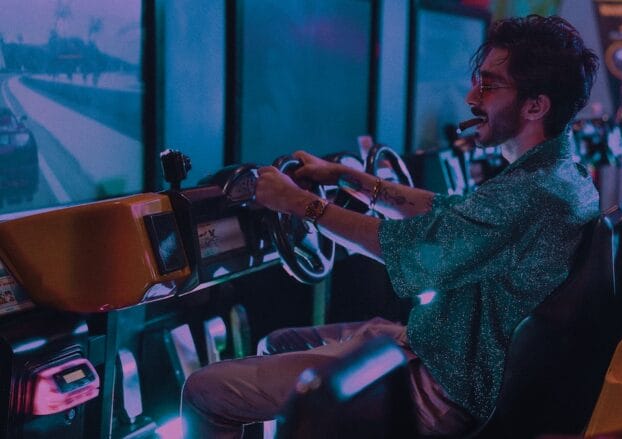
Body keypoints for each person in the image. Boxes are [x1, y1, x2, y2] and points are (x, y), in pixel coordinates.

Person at [181, 14, 600, 438]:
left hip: (443, 389)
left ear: (535, 106)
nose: (472, 96)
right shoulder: (558, 177)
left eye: (489, 85)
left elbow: (411, 251)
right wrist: (350, 180)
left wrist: (297, 203)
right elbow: (448, 214)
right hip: (449, 351)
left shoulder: (532, 194)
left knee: (204, 390)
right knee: (279, 344)